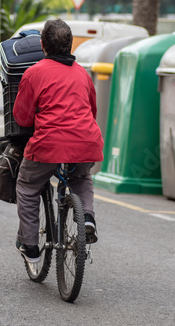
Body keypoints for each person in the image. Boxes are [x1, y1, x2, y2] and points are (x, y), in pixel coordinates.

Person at [12, 19, 104, 263]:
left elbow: (22, 117)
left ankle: (30, 245)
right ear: (70, 46)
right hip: (87, 142)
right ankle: (87, 219)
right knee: (81, 178)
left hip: (48, 144)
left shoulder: (34, 73)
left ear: (43, 45)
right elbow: (92, 111)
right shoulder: (83, 75)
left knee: (28, 187)